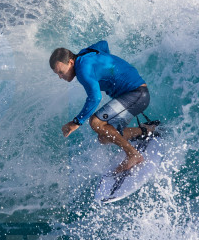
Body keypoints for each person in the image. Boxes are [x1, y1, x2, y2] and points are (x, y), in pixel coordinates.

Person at [49, 40, 157, 174]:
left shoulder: (83, 70)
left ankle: (133, 155)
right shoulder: (85, 53)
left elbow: (95, 97)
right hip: (134, 94)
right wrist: (109, 67)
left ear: (70, 62)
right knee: (104, 136)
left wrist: (76, 122)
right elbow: (103, 44)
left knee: (95, 122)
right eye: (57, 74)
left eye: (61, 72)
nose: (60, 77)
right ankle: (147, 130)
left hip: (136, 94)